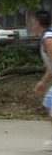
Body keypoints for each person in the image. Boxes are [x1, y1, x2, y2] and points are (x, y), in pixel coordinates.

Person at [33, 10, 52, 151]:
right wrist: (43, 82)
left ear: (38, 22)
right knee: (48, 103)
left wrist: (43, 82)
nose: (31, 23)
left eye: (33, 20)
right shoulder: (45, 37)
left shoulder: (48, 39)